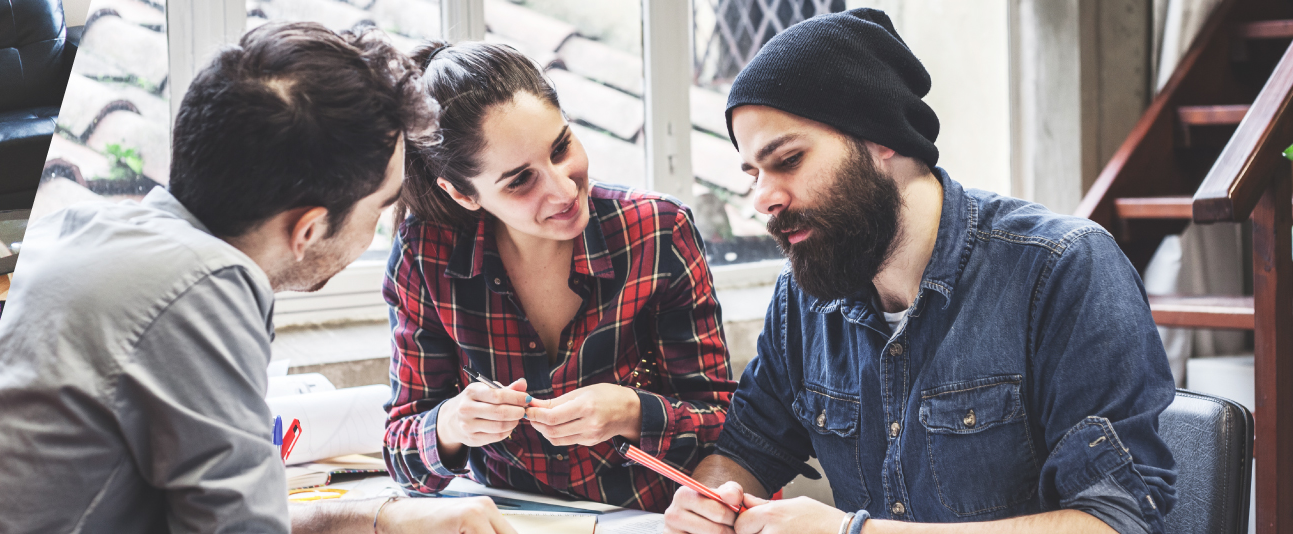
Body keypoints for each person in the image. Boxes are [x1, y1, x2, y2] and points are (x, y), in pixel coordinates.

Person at [0, 23, 515, 534]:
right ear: (309, 229)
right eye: (379, 209)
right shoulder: (202, 290)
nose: (378, 234)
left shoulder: (81, 227)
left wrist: (374, 517)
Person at [660, 8, 1177, 534]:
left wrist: (854, 533)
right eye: (753, 174)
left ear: (883, 137)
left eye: (788, 160)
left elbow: (1119, 521)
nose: (763, 200)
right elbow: (746, 448)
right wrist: (710, 502)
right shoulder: (802, 297)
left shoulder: (1064, 269)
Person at [382, 41, 737, 512]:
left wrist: (633, 413)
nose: (564, 188)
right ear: (462, 194)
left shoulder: (658, 231)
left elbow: (732, 428)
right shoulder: (424, 254)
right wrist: (450, 424)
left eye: (561, 146)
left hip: (647, 520)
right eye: (520, 181)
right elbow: (401, 455)